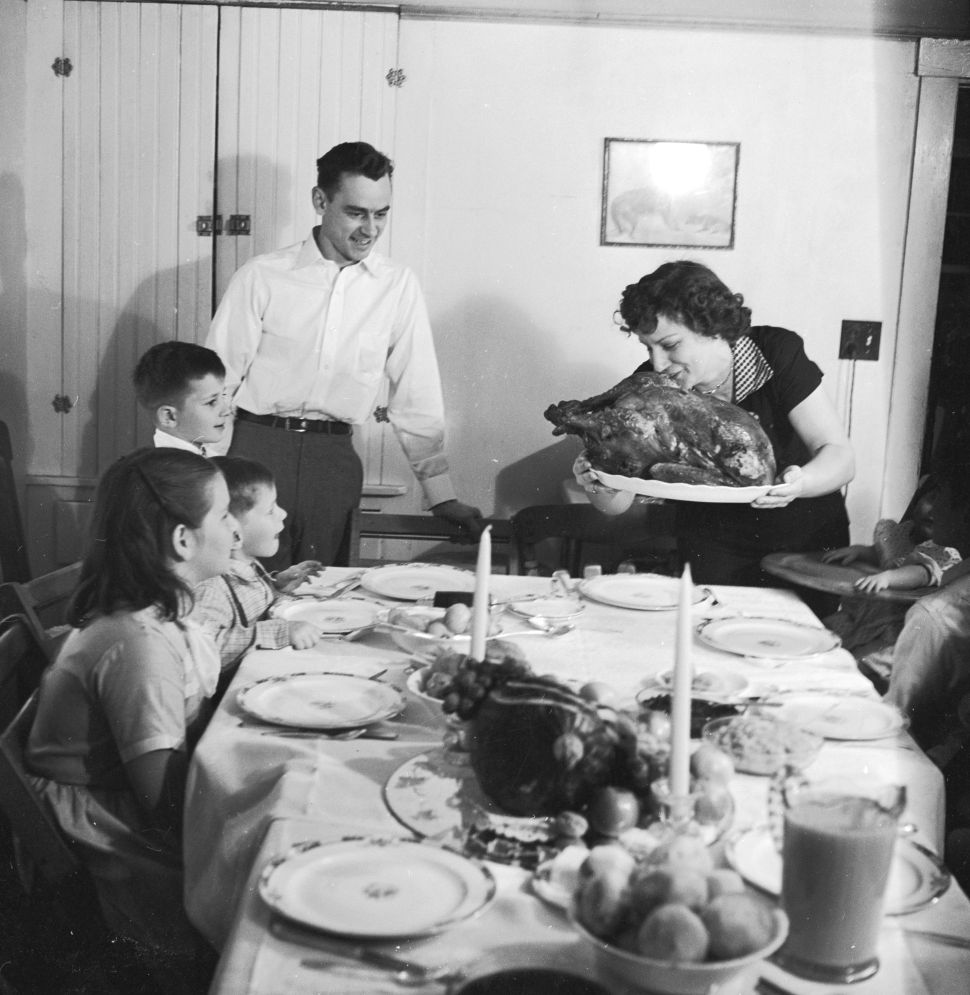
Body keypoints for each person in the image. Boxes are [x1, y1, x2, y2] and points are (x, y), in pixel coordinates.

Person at [206, 140, 482, 570]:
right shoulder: (261, 277)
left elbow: (416, 395)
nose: (370, 229)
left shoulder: (397, 286)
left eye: (381, 213)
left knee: (321, 596)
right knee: (242, 588)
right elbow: (217, 384)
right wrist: (204, 480)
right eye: (356, 212)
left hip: (333, 465)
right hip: (255, 452)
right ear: (321, 201)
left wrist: (440, 494)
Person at [25, 448, 237, 965]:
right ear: (182, 540)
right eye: (226, 514)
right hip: (105, 820)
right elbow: (160, 801)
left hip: (126, 793)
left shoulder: (155, 618)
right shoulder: (136, 643)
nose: (236, 529)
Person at [575, 260, 854, 614]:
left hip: (804, 543)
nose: (658, 363)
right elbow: (616, 504)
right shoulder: (653, 387)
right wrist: (594, 481)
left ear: (711, 328)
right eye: (648, 348)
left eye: (670, 345)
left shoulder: (774, 354)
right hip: (713, 544)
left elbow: (841, 457)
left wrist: (801, 483)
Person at [190, 456, 324, 689]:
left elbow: (248, 605)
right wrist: (280, 632)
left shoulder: (248, 565)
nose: (282, 514)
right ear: (233, 529)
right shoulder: (212, 588)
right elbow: (208, 649)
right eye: (271, 509)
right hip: (237, 696)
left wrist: (276, 585)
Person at [821, 485, 963, 690]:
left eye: (943, 504)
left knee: (860, 661)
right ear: (916, 501)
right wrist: (860, 552)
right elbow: (885, 553)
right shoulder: (901, 534)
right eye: (931, 498)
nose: (933, 510)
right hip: (864, 612)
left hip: (893, 620)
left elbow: (922, 573)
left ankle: (843, 687)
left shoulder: (944, 550)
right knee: (823, 633)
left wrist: (889, 577)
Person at [133, 340, 232, 455]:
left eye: (223, 395)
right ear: (169, 416)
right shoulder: (165, 470)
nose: (226, 411)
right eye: (211, 402)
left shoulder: (211, 459)